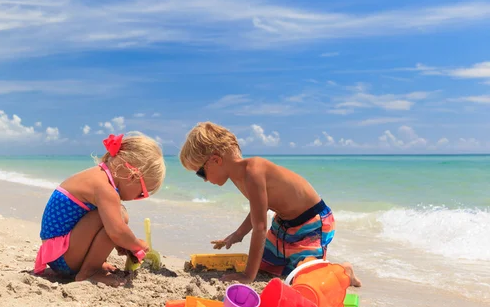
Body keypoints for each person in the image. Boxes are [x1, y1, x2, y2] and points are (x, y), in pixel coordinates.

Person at [179, 122, 361, 286]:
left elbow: (259, 227)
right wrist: (238, 234)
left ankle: (344, 271)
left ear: (216, 160)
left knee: (303, 277)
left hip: (311, 222)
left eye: (200, 173)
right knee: (268, 267)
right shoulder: (236, 176)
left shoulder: (254, 171)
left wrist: (248, 276)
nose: (203, 180)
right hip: (283, 224)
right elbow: (259, 208)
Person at [34, 132, 166, 286]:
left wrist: (121, 244)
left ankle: (92, 265)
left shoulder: (96, 176)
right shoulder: (105, 189)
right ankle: (88, 272)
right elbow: (117, 232)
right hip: (64, 256)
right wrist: (137, 245)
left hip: (54, 252)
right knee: (120, 216)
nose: (137, 198)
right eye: (141, 193)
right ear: (133, 176)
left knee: (115, 215)